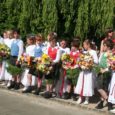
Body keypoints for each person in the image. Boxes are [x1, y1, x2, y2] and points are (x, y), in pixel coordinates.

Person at [75, 39, 98, 105]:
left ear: (88, 45)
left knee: (87, 84)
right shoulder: (83, 52)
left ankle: (87, 99)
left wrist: (90, 61)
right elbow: (79, 60)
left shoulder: (93, 52)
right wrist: (80, 62)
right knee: (81, 83)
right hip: (83, 70)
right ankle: (80, 97)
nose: (83, 46)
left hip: (89, 71)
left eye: (84, 45)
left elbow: (96, 61)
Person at [95, 39, 113, 110]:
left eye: (104, 46)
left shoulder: (110, 54)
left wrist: (104, 70)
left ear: (108, 47)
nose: (103, 47)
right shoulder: (103, 53)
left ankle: (108, 100)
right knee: (103, 88)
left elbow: (110, 64)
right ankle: (102, 102)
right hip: (100, 72)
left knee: (99, 88)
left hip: (105, 73)